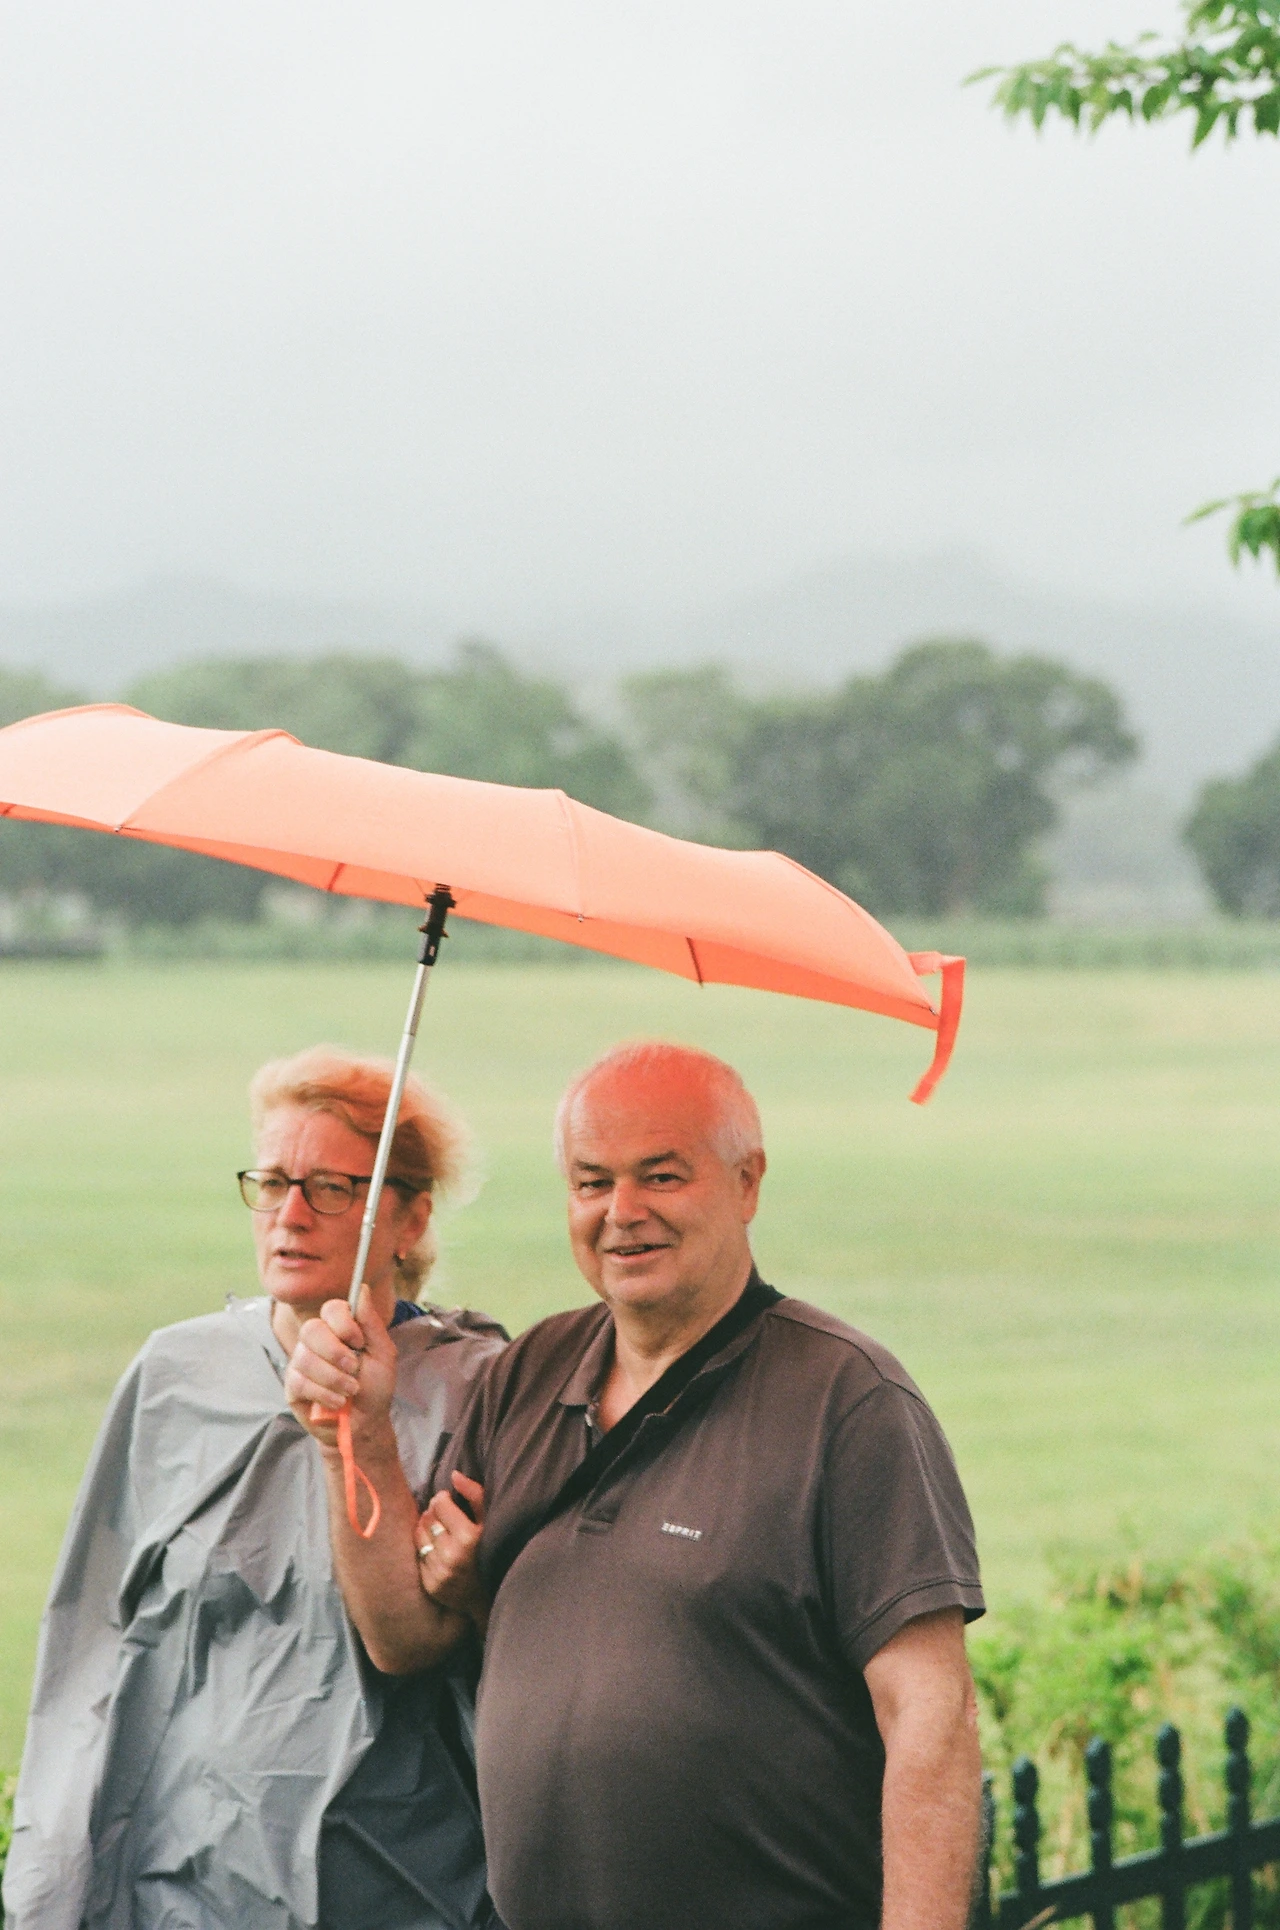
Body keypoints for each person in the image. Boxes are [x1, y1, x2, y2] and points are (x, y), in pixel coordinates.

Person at [286, 1039, 986, 1930]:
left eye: (661, 1177)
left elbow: (930, 1712)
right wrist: (353, 1435)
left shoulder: (845, 1401)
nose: (622, 1212)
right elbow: (403, 1637)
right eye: (592, 1182)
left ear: (747, 1183)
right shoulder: (528, 1374)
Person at [4, 1045, 506, 1930]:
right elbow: (88, 1647)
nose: (290, 1216)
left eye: (332, 1189)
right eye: (272, 1183)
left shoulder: (477, 1390)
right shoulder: (176, 1375)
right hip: (184, 1888)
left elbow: (454, 1656)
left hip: (398, 1886)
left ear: (410, 1216)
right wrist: (49, 1889)